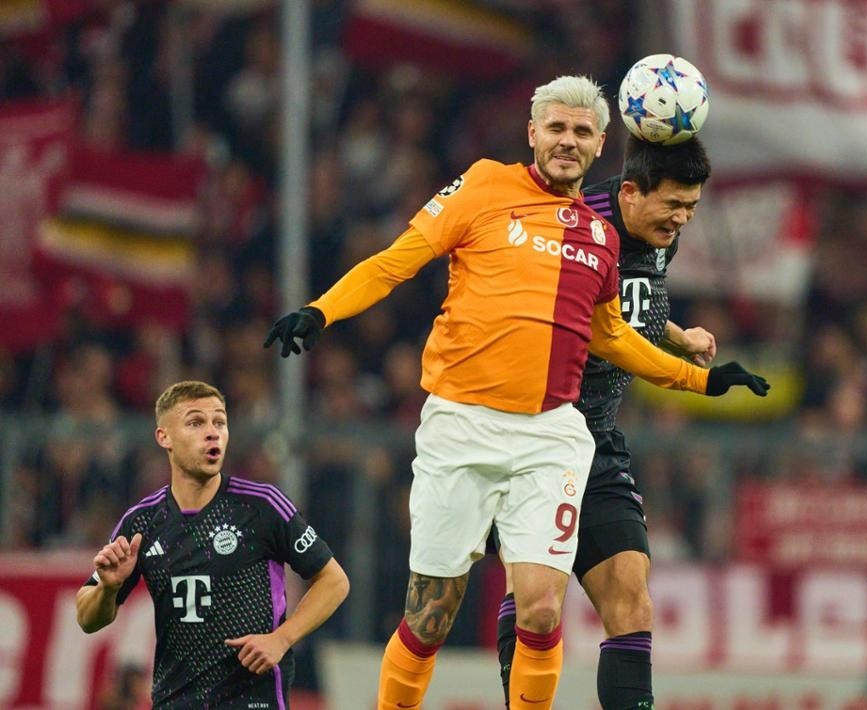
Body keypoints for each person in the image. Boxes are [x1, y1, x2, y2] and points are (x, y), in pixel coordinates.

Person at [265, 75, 768, 710]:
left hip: (551, 434)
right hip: (461, 425)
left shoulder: (601, 236)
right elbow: (396, 261)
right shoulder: (483, 185)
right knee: (429, 617)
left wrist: (700, 380)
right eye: (556, 128)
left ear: (600, 145)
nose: (567, 140)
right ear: (533, 133)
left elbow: (613, 336)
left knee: (541, 607)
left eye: (581, 132)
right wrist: (322, 310)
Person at [494, 135, 740, 709]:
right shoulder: (575, 221)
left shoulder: (661, 238)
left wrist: (677, 335)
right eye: (673, 205)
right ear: (630, 192)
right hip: (533, 435)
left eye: (691, 208)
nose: (681, 219)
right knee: (538, 605)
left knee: (632, 601)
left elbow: (620, 305)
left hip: (598, 440)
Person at [75, 381, 350, 709]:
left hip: (253, 701)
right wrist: (107, 589)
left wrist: (282, 638)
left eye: (219, 422)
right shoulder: (141, 522)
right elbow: (87, 618)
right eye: (195, 423)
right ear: (164, 437)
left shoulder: (262, 505)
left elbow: (334, 581)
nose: (212, 433)